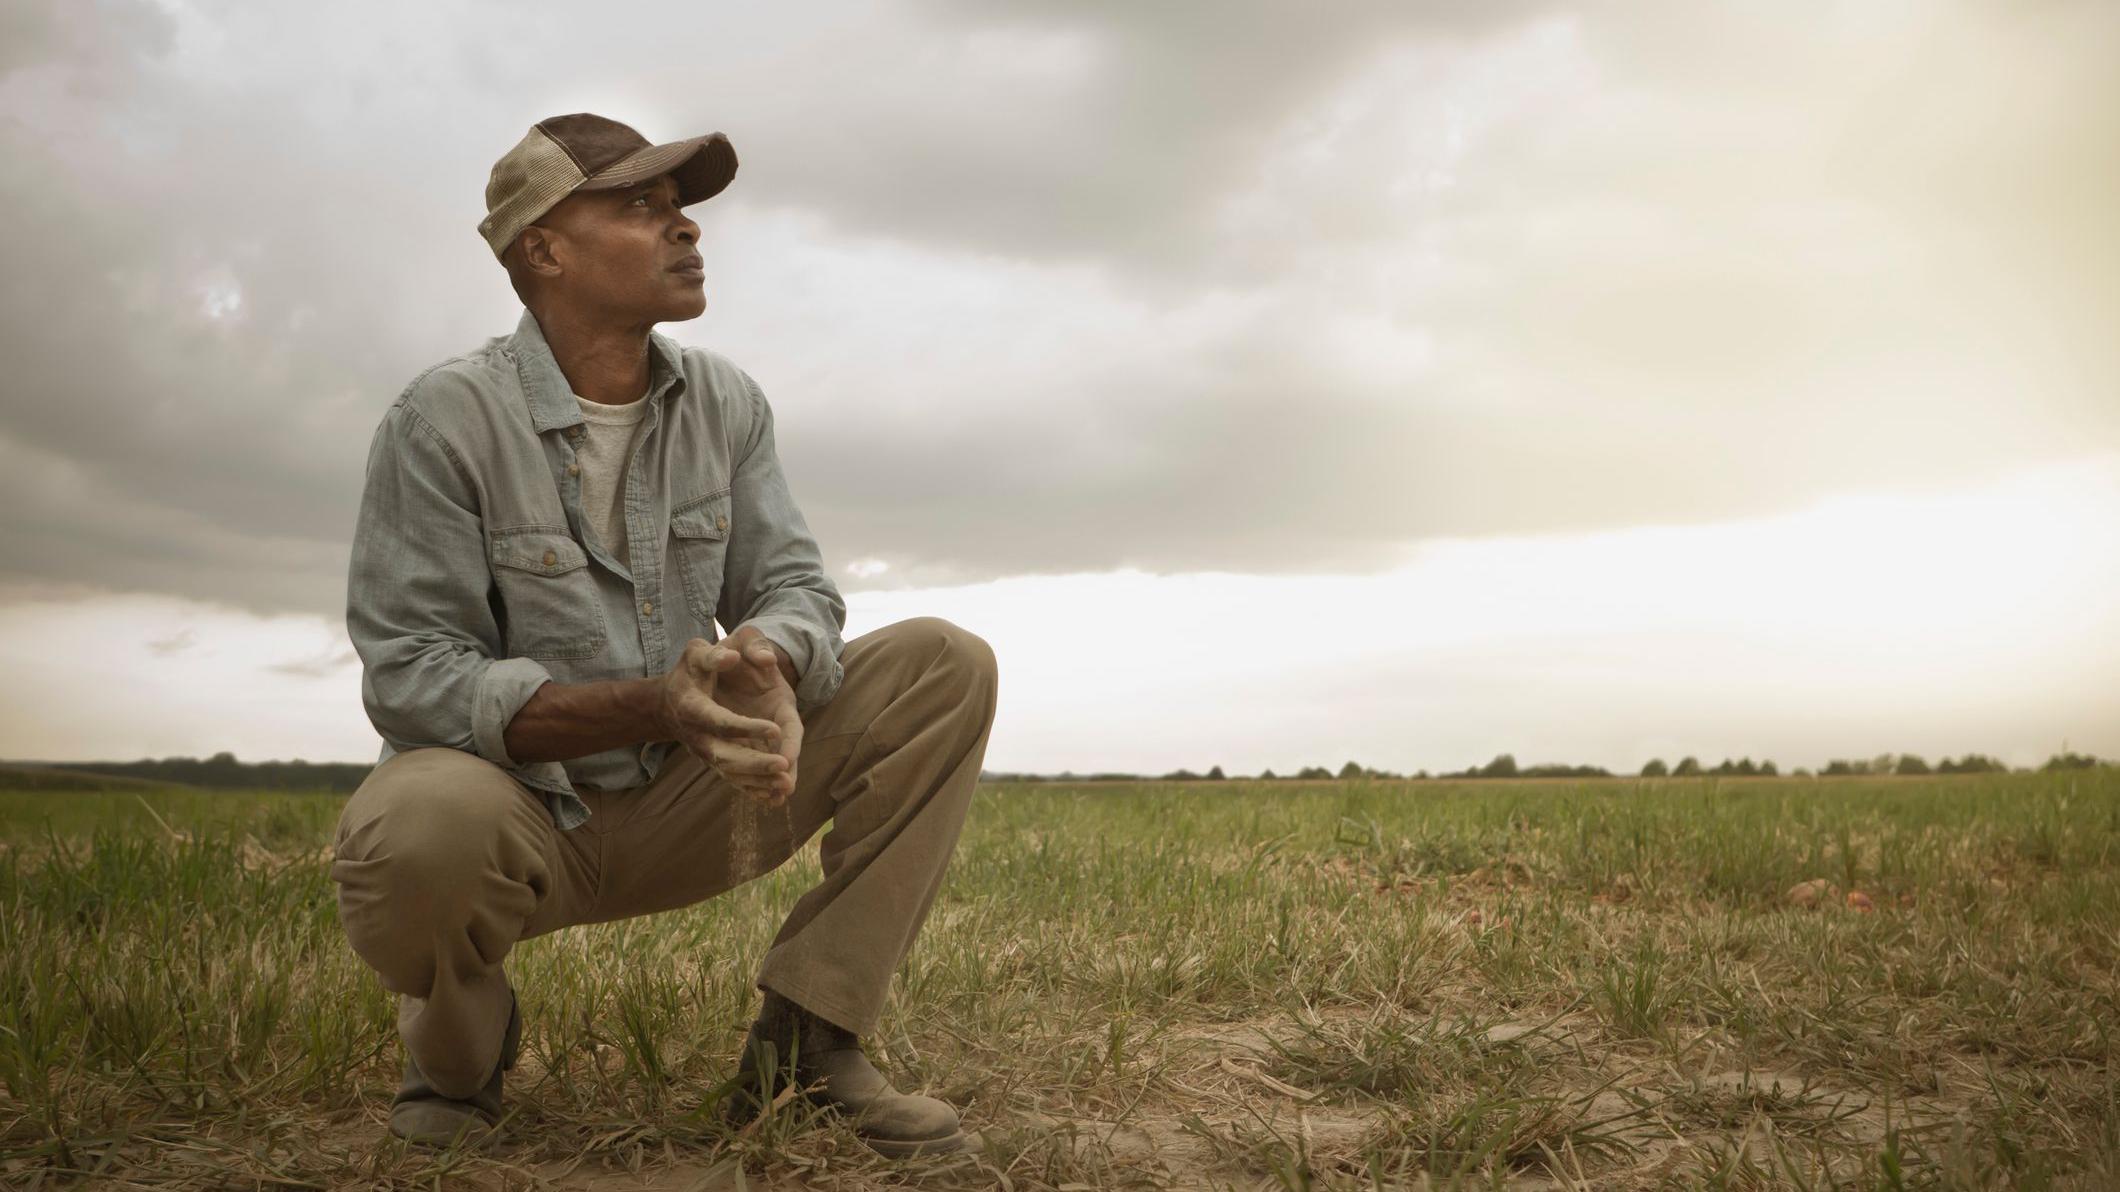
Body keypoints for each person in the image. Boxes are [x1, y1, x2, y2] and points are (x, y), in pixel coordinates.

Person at [331, 112, 998, 1159]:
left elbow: (790, 584)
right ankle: (459, 1060)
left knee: (940, 665)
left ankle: (806, 1042)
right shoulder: (443, 419)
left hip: (695, 797)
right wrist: (650, 701)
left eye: (681, 210)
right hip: (523, 818)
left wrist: (769, 658)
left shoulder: (724, 402)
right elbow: (413, 678)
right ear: (541, 249)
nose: (684, 230)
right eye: (640, 207)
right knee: (415, 822)